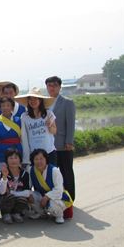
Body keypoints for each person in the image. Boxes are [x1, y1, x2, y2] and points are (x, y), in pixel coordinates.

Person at [46, 75, 76, 219]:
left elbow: (70, 124)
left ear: (59, 87)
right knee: (54, 175)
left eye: (54, 85)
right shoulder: (45, 103)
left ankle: (70, 200)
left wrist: (69, 142)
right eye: (49, 86)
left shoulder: (67, 103)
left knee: (66, 173)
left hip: (63, 145)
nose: (51, 88)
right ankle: (56, 201)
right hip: (49, 146)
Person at [28, 149, 72, 224]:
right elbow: (29, 186)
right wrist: (29, 195)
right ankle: (42, 213)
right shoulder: (31, 170)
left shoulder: (54, 170)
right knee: (30, 196)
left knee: (53, 203)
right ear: (33, 161)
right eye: (36, 159)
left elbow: (59, 190)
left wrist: (46, 197)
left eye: (41, 158)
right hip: (42, 196)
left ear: (46, 159)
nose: (39, 161)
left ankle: (59, 215)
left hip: (58, 197)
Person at [15, 88, 57, 166]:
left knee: (50, 176)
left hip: (49, 152)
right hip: (34, 154)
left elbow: (54, 131)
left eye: (35, 99)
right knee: (37, 177)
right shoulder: (24, 116)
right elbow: (24, 136)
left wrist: (50, 126)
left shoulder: (48, 114)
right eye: (30, 99)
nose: (32, 101)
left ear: (40, 100)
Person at [0, 148, 31, 224]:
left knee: (23, 200)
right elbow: (2, 192)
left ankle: (16, 213)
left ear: (20, 160)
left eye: (16, 158)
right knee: (9, 197)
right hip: (5, 199)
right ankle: (6, 214)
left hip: (16, 197)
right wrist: (4, 177)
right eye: (10, 158)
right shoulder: (3, 172)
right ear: (6, 160)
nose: (13, 160)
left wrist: (12, 192)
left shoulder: (25, 174)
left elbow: (27, 192)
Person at [0, 96, 23, 169]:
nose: (5, 108)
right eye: (3, 106)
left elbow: (23, 140)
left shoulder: (19, 121)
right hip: (0, 155)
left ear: (12, 107)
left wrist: (25, 159)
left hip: (16, 155)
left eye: (8, 105)